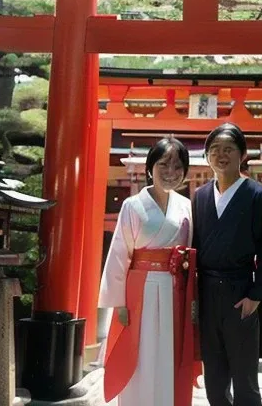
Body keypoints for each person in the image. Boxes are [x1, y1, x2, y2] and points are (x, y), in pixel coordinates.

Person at [192, 123, 262, 406]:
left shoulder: (256, 194)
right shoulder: (200, 196)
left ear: (242, 154)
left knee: (245, 379)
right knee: (214, 380)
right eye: (215, 149)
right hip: (207, 293)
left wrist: (255, 296)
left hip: (240, 293)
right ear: (207, 155)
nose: (221, 155)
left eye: (229, 149)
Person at [98, 137, 196, 406]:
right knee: (139, 352)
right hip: (138, 288)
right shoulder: (132, 205)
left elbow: (190, 250)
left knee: (169, 351)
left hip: (175, 288)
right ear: (150, 167)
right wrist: (118, 303)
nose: (171, 172)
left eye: (178, 167)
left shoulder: (186, 206)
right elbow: (120, 254)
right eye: (164, 164)